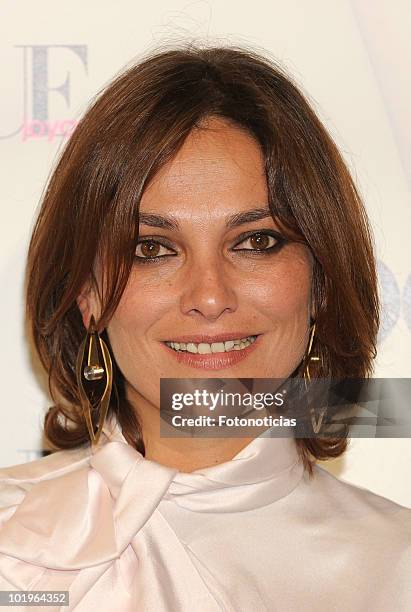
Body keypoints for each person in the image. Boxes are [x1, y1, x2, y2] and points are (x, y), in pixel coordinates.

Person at [0, 43, 409, 611]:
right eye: (152, 248)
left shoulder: (398, 565)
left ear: (320, 283)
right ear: (87, 294)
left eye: (256, 241)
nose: (210, 296)